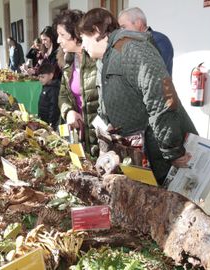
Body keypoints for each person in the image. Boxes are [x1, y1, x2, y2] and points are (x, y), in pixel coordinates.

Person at [79, 8, 197, 184]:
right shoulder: (105, 60)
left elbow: (161, 99)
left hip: (160, 153)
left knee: (170, 204)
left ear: (96, 31)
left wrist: (172, 149)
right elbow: (105, 106)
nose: (82, 45)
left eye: (83, 39)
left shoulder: (132, 48)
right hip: (140, 155)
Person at [54, 9, 99, 154]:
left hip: (99, 138)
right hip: (79, 137)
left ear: (76, 35)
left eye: (62, 35)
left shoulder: (97, 59)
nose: (58, 40)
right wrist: (68, 112)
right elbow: (63, 95)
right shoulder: (68, 60)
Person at [118, 7, 174, 76]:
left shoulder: (160, 40)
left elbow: (153, 73)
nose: (121, 32)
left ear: (138, 23)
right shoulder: (128, 43)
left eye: (123, 27)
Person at [37, 63, 60, 130]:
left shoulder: (54, 90)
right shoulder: (46, 87)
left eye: (43, 77)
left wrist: (51, 124)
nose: (40, 79)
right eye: (39, 77)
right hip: (43, 121)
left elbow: (54, 109)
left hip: (49, 124)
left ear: (51, 76)